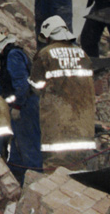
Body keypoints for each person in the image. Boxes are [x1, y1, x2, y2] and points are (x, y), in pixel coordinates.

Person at [0, 30, 41, 185]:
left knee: (28, 147)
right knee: (17, 148)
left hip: (26, 107)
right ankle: (15, 181)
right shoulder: (8, 57)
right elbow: (2, 83)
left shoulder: (13, 56)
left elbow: (21, 85)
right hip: (22, 107)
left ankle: (35, 184)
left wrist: (18, 107)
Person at [30, 16, 96, 153]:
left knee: (56, 165)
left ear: (48, 36)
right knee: (80, 164)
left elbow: (36, 86)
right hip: (83, 120)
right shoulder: (83, 54)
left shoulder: (45, 54)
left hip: (57, 121)